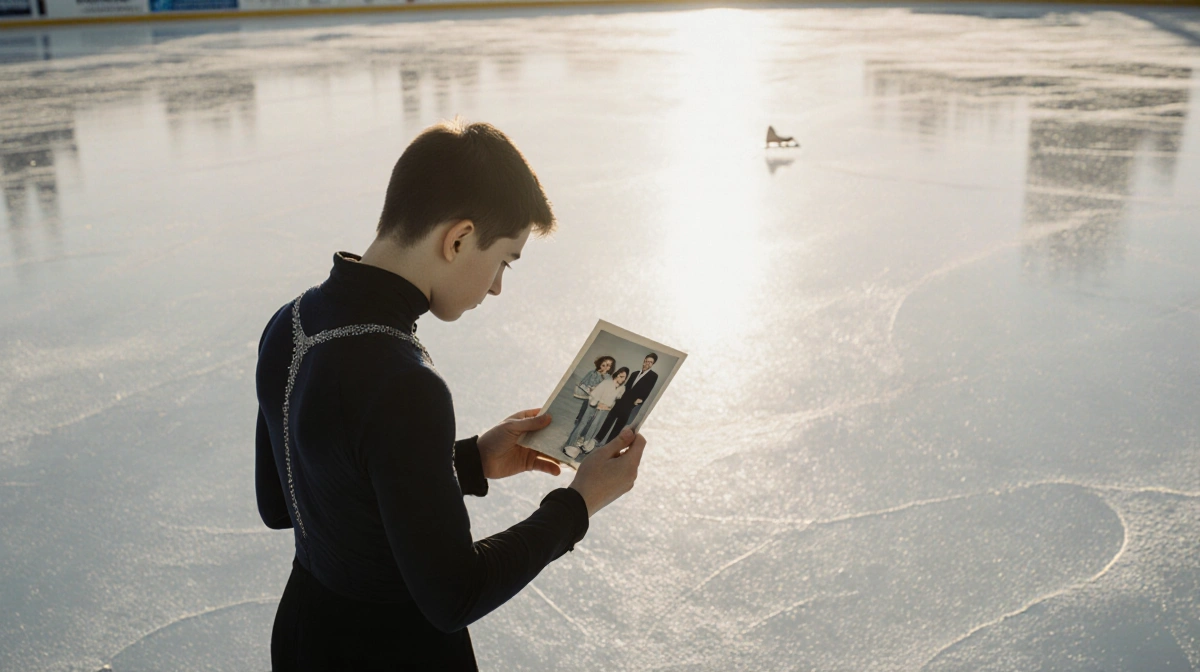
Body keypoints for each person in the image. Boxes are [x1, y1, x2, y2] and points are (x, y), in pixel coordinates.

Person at [254, 119, 647, 671]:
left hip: (304, 639)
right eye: (504, 260)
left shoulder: (289, 322)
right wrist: (577, 504)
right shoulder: (404, 382)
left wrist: (466, 461)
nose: (496, 287)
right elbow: (453, 595)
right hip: (394, 655)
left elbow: (284, 503)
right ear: (458, 238)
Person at [564, 367, 628, 458]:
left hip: (605, 410)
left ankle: (584, 446)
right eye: (621, 376)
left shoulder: (622, 388)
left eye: (625, 378)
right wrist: (597, 404)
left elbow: (616, 399)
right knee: (583, 424)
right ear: (617, 374)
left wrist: (609, 405)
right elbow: (595, 394)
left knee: (595, 427)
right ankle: (570, 444)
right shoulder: (607, 383)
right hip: (593, 406)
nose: (623, 379)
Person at [597, 353, 658, 443]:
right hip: (622, 400)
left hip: (631, 403)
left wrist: (640, 400)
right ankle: (598, 439)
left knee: (619, 425)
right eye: (647, 361)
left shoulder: (653, 376)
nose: (647, 363)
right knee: (609, 419)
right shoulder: (634, 373)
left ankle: (608, 443)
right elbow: (626, 387)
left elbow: (648, 390)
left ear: (653, 364)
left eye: (650, 362)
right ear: (644, 360)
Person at [572, 355, 615, 425]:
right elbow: (583, 382)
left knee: (591, 416)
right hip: (588, 396)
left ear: (610, 368)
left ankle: (584, 428)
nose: (606, 367)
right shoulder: (593, 373)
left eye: (609, 365)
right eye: (605, 364)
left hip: (598, 399)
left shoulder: (609, 378)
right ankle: (578, 421)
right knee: (583, 410)